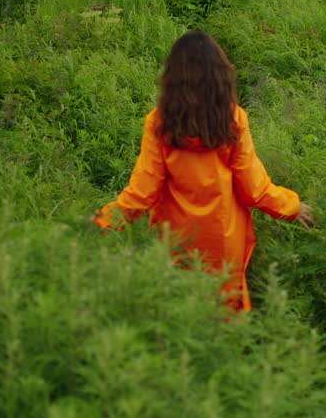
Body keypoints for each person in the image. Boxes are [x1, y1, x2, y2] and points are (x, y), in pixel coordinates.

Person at [92, 31, 314, 312]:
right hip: (223, 237)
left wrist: (101, 221)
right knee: (223, 312)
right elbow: (254, 188)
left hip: (175, 238)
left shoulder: (160, 123)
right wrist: (291, 206)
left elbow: (142, 192)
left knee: (179, 311)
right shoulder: (232, 119)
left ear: (173, 77)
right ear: (219, 76)